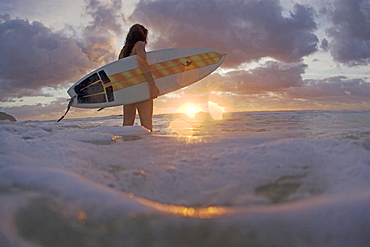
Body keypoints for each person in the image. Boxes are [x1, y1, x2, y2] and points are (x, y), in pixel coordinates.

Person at [118, 24, 159, 132]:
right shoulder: (139, 44)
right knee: (146, 125)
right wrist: (152, 85)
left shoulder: (123, 51)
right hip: (141, 88)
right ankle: (147, 148)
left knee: (127, 125)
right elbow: (143, 64)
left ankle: (126, 148)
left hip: (128, 89)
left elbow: (120, 71)